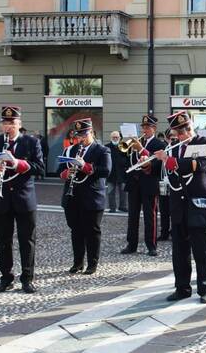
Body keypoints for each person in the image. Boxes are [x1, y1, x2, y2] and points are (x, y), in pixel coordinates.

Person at [0, 106, 44, 294]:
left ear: (19, 124)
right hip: (2, 199)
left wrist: (17, 163)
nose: (8, 127)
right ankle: (6, 278)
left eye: (12, 123)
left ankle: (27, 278)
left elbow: (39, 167)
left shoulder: (31, 142)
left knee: (27, 241)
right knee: (3, 241)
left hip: (24, 198)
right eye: (5, 123)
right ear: (1, 125)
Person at [154, 111, 206, 304]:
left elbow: (198, 165)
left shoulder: (204, 142)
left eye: (187, 129)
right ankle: (182, 288)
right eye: (180, 132)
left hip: (199, 204)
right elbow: (166, 171)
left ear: (192, 126)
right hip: (178, 205)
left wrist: (171, 161)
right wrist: (152, 161)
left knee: (202, 250)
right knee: (180, 251)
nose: (184, 134)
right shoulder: (172, 148)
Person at [58, 118, 111, 275]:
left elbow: (106, 171)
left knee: (92, 231)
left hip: (92, 197)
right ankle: (77, 262)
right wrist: (66, 173)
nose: (80, 139)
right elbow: (59, 169)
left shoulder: (102, 150)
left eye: (84, 135)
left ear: (91, 133)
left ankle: (92, 264)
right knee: (76, 230)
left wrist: (85, 166)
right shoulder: (69, 150)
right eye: (78, 136)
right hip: (72, 196)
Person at [121, 115, 166, 256]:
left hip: (149, 183)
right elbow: (126, 160)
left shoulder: (159, 144)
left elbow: (155, 163)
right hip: (134, 183)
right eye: (143, 127)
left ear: (154, 128)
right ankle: (131, 244)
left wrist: (140, 149)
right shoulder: (136, 142)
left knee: (150, 216)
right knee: (132, 215)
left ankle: (151, 245)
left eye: (147, 127)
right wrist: (130, 148)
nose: (144, 130)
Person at [105, 131, 128, 213]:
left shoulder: (123, 146)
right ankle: (112, 207)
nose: (115, 138)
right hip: (111, 172)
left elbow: (128, 158)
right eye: (113, 137)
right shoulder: (107, 147)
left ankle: (123, 206)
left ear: (120, 138)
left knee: (123, 191)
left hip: (122, 172)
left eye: (117, 137)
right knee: (111, 191)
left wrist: (126, 167)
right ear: (111, 138)